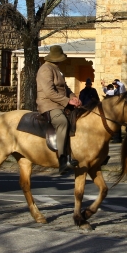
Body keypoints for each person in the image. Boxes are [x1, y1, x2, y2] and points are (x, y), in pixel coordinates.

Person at [36, 45, 82, 174]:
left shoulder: (57, 69)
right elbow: (49, 92)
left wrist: (74, 97)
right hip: (49, 104)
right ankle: (63, 160)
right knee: (62, 122)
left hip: (61, 103)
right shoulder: (45, 69)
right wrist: (68, 101)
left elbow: (65, 88)